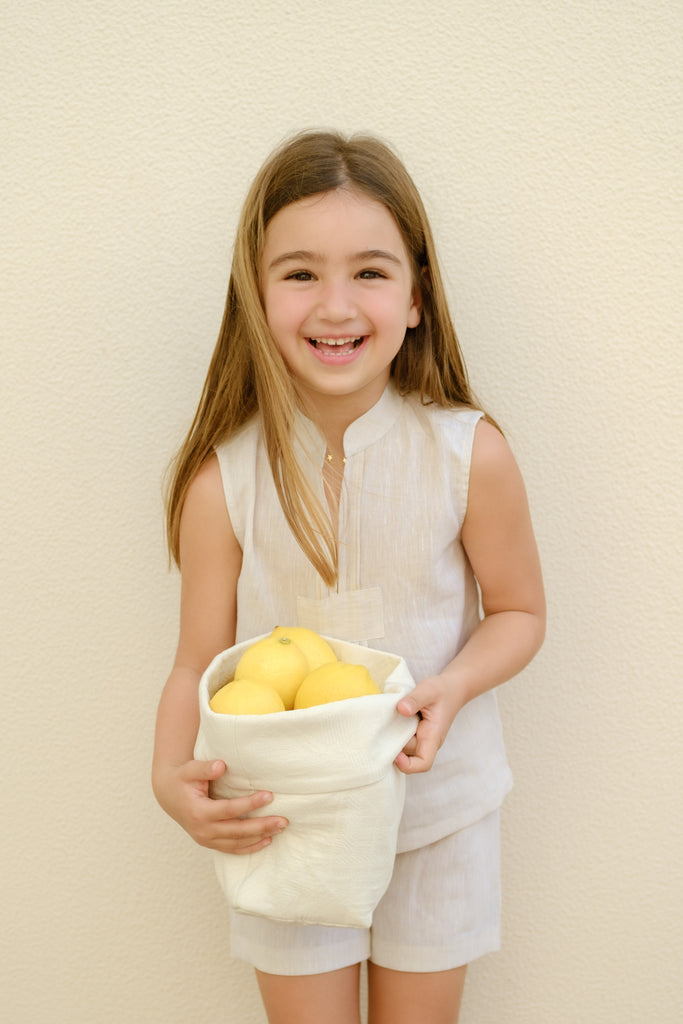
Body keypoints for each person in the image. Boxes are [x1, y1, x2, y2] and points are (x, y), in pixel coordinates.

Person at [152, 129, 545, 1024]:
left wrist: (453, 687)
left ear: (416, 299)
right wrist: (166, 773)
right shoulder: (224, 481)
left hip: (437, 813)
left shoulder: (468, 454)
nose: (335, 305)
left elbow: (519, 611)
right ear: (255, 296)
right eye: (298, 274)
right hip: (288, 819)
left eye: (369, 271)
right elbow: (194, 661)